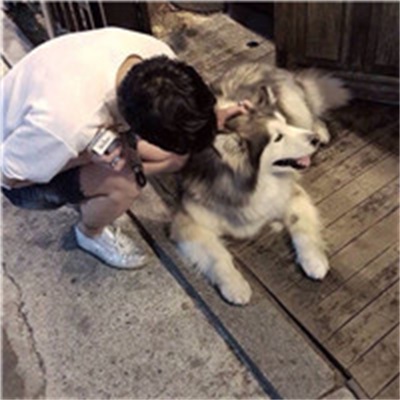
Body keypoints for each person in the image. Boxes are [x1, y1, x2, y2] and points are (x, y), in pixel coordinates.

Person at [1, 27, 249, 269]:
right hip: (20, 171)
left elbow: (180, 110)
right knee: (127, 183)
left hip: (52, 114)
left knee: (174, 157)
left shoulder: (156, 58)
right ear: (135, 128)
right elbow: (9, 177)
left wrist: (207, 119)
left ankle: (112, 177)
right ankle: (90, 233)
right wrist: (86, 157)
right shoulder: (66, 127)